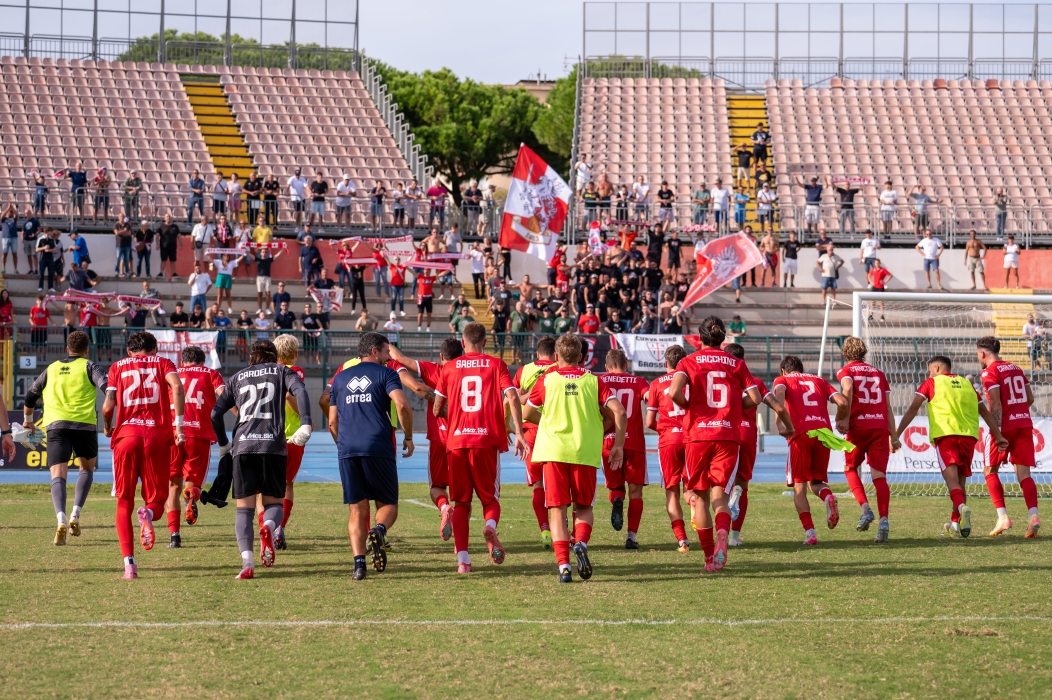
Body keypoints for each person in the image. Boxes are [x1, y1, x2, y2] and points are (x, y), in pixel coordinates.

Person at [668, 316, 793, 571]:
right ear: (722, 337)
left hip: (698, 436)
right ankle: (724, 532)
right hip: (727, 435)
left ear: (700, 337)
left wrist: (691, 406)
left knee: (700, 499)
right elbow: (755, 398)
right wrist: (734, 407)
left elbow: (673, 392)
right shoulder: (736, 363)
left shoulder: (688, 361)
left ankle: (709, 557)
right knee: (721, 496)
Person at [523, 334, 626, 583]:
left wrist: (549, 423)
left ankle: (564, 567)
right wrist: (618, 445)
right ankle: (580, 543)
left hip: (553, 453)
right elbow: (619, 412)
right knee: (584, 507)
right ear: (581, 357)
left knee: (557, 511)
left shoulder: (547, 380)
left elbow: (527, 413)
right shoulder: (593, 381)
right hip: (584, 452)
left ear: (556, 356)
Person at [211, 339, 312, 579]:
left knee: (244, 511)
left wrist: (224, 444)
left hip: (244, 446)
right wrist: (306, 422)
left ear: (251, 356)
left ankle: (247, 563)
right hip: (273, 445)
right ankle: (268, 527)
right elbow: (300, 390)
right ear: (273, 355)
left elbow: (215, 413)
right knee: (274, 504)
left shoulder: (238, 377)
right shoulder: (281, 371)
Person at [432, 322, 527, 574]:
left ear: (463, 343)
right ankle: (490, 527)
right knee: (490, 499)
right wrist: (518, 432)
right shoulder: (497, 365)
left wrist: (456, 417)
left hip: (457, 442)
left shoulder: (449, 367)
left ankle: (463, 561)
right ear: (485, 342)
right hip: (486, 441)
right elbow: (513, 396)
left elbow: (437, 408)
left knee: (461, 502)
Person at [327, 333, 413, 580]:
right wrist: (408, 436)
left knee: (356, 509)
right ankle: (379, 530)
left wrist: (343, 444)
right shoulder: (387, 374)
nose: (388, 357)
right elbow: (402, 405)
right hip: (377, 446)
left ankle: (359, 566)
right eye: (386, 352)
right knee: (388, 504)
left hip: (348, 449)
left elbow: (332, 421)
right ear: (374, 351)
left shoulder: (340, 378)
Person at [101, 331, 186, 579]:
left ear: (129, 351)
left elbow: (108, 406)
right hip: (156, 437)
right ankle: (146, 514)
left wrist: (107, 426)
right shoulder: (163, 363)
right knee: (157, 503)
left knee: (124, 501)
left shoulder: (117, 366)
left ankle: (129, 565)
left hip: (126, 438)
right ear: (155, 349)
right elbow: (177, 387)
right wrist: (179, 426)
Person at [897, 355, 1008, 539]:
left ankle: (962, 507)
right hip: (969, 437)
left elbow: (913, 409)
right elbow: (984, 412)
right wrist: (998, 435)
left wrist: (896, 434)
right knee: (961, 482)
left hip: (946, 436)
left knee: (951, 482)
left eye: (930, 371)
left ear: (937, 368)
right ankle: (956, 524)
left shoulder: (931, 383)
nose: (929, 374)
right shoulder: (967, 384)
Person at [21, 331, 101, 545]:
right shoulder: (90, 367)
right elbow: (108, 388)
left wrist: (28, 421)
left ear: (67, 349)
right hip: (85, 425)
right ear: (86, 350)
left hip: (56, 426)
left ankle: (61, 519)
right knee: (86, 470)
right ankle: (75, 513)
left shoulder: (51, 368)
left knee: (58, 475)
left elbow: (30, 396)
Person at [772, 355, 850, 545]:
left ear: (783, 370)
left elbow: (779, 395)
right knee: (815, 482)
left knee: (799, 487)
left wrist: (779, 423)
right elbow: (843, 402)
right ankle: (828, 496)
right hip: (823, 434)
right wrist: (840, 418)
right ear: (802, 368)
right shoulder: (819, 380)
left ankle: (810, 533)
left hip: (800, 434)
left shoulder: (782, 379)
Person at [976, 336, 1041, 538]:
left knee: (989, 470)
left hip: (1004, 427)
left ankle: (1003, 517)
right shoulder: (1016, 368)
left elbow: (995, 403)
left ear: (982, 353)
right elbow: (1030, 398)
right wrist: (1017, 412)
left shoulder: (989, 372)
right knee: (1024, 475)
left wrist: (997, 431)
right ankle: (1033, 516)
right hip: (1024, 424)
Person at [834, 337, 896, 543]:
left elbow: (847, 389)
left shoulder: (846, 371)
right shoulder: (879, 373)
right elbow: (888, 407)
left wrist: (843, 417)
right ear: (864, 352)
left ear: (845, 353)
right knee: (879, 476)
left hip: (858, 426)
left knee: (849, 468)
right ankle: (884, 521)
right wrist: (894, 436)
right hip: (880, 427)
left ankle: (866, 509)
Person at [165, 345, 225, 548]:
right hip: (199, 435)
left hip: (173, 434)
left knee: (173, 485)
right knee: (193, 483)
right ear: (202, 361)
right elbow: (225, 395)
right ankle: (192, 496)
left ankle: (174, 535)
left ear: (183, 361)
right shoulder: (210, 374)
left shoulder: (172, 374)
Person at [597, 349, 651, 548]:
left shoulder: (600, 380)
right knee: (636, 491)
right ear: (626, 365)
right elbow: (650, 397)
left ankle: (617, 500)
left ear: (606, 367)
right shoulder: (639, 381)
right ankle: (631, 537)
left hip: (609, 440)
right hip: (634, 442)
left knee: (615, 487)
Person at [508, 336, 558, 546]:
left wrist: (509, 426)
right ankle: (562, 527)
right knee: (559, 481)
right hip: (553, 430)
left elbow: (510, 398)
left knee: (538, 484)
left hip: (530, 431)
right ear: (556, 353)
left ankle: (545, 530)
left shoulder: (524, 370)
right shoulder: (558, 369)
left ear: (537, 353)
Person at [645, 345, 692, 551]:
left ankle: (682, 539)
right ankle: (694, 507)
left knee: (672, 491)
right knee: (693, 488)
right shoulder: (692, 380)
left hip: (669, 441)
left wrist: (665, 430)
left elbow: (649, 421)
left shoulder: (656, 384)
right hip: (692, 439)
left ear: (666, 363)